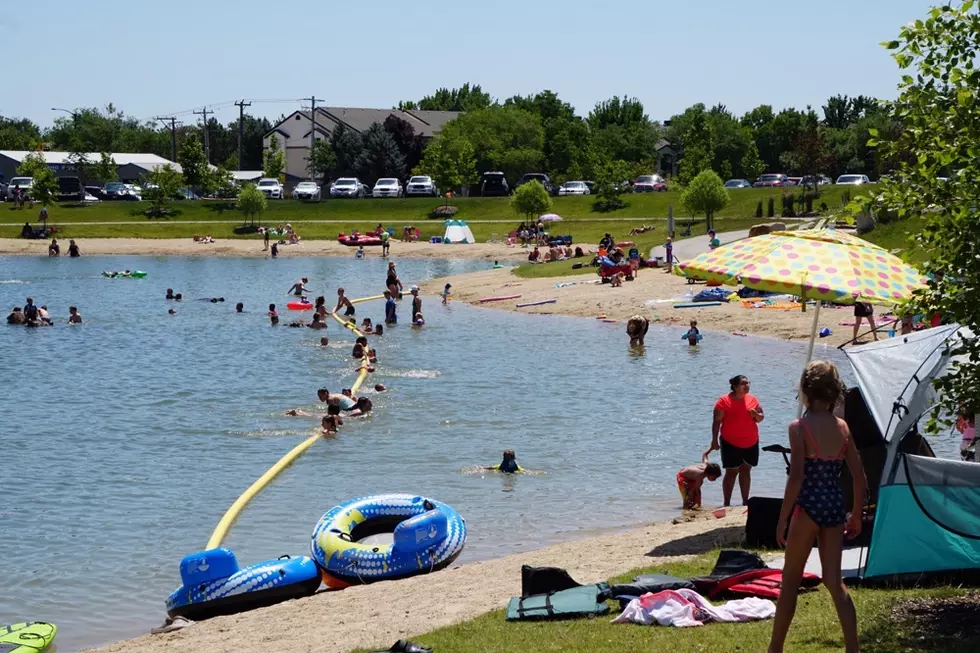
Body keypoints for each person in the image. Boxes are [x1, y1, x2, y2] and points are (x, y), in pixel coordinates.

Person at [767, 360, 865, 653]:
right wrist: (856, 514)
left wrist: (782, 519)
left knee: (790, 579)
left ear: (805, 391)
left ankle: (775, 649)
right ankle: (853, 648)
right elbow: (859, 478)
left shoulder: (799, 428)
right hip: (834, 508)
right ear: (835, 392)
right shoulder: (843, 428)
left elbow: (796, 477)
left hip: (807, 508)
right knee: (835, 583)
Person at [704, 375, 765, 507]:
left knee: (746, 471)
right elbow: (716, 422)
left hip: (751, 441)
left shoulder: (752, 399)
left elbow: (760, 418)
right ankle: (726, 503)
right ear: (735, 386)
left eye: (748, 383)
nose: (747, 385)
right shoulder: (723, 401)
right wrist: (714, 440)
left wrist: (756, 415)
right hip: (730, 442)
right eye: (743, 383)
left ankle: (745, 502)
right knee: (731, 472)